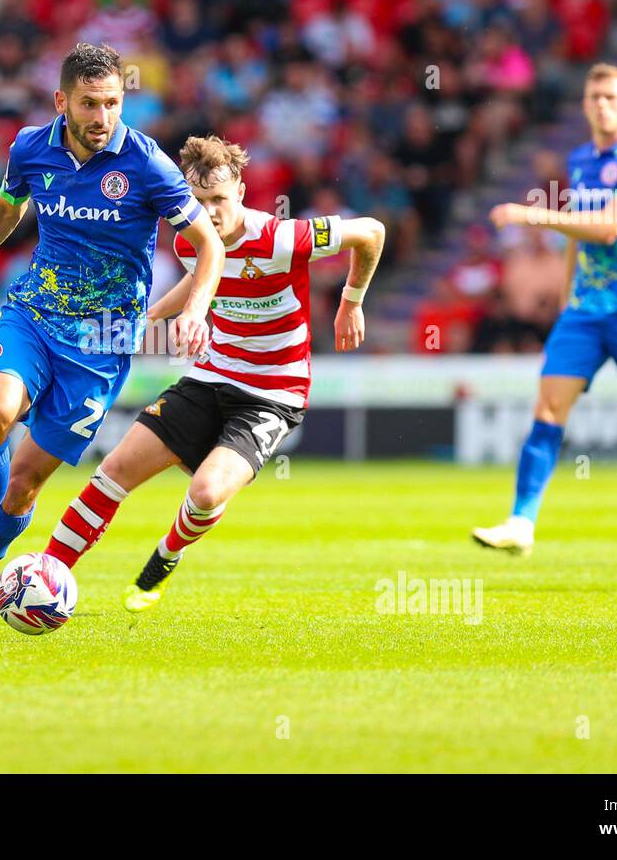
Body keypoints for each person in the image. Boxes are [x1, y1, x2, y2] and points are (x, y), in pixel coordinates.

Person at [0, 43, 225, 639]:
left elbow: (211, 245)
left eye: (113, 104)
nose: (102, 118)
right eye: (90, 104)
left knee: (23, 483)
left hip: (102, 343)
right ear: (61, 102)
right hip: (34, 315)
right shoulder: (29, 148)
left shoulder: (148, 165)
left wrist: (196, 306)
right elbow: (5, 209)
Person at [28, 135, 384, 611]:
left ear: (240, 190)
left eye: (218, 199)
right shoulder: (187, 240)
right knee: (112, 472)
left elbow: (373, 232)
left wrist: (351, 302)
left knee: (207, 491)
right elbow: (200, 282)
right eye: (197, 201)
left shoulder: (280, 238)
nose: (209, 212)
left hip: (273, 393)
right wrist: (149, 320)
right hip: (210, 376)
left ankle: (166, 555)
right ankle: (43, 576)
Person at [472, 63, 617, 560]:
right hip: (585, 311)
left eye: (612, 97)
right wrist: (570, 293)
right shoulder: (580, 160)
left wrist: (534, 215)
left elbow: (611, 226)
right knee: (547, 407)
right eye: (594, 97)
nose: (602, 105)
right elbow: (577, 232)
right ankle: (520, 523)